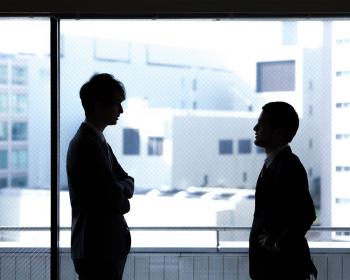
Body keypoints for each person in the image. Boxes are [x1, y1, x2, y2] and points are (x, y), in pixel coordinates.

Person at [66, 73, 134, 280]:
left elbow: (126, 180)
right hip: (98, 250)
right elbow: (115, 199)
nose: (121, 110)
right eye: (116, 104)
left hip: (100, 248)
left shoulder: (97, 142)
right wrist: (122, 192)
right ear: (97, 105)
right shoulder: (87, 146)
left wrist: (120, 188)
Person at [249, 101, 318, 280]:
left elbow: (307, 214)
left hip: (283, 269)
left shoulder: (290, 166)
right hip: (273, 267)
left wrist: (278, 242)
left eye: (262, 124)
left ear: (278, 132)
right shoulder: (275, 164)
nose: (255, 128)